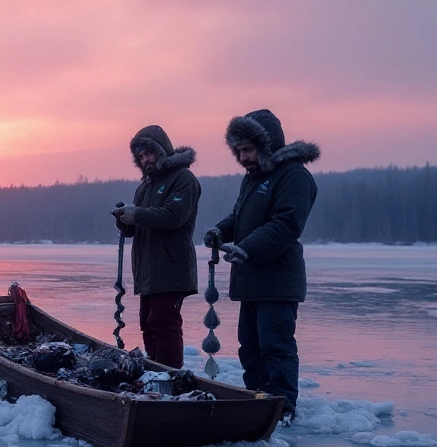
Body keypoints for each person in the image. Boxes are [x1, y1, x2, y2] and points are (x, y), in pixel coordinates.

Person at [204, 109, 319, 424]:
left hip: (278, 280)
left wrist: (246, 248)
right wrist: (221, 231)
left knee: (275, 347)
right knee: (250, 349)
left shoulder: (294, 176)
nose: (242, 157)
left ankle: (281, 411)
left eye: (248, 150)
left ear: (266, 145)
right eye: (239, 151)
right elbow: (239, 218)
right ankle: (256, 404)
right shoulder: (252, 180)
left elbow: (286, 225)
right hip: (252, 280)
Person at [113, 125, 201, 368]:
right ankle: (154, 371)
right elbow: (138, 226)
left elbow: (173, 216)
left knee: (164, 322)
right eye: (140, 157)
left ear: (162, 150)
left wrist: (137, 214)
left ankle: (170, 375)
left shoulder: (183, 179)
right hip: (149, 271)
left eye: (149, 153)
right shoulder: (145, 186)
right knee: (148, 323)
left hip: (171, 268)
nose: (145, 160)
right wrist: (124, 220)